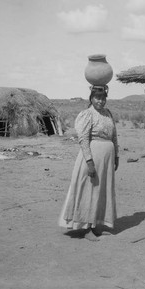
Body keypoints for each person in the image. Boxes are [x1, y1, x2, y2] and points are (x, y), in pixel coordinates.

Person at [58, 85, 119, 241]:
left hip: (106, 160)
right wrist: (90, 162)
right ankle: (86, 228)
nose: (101, 101)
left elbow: (114, 136)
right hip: (92, 158)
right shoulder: (87, 114)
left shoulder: (107, 114)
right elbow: (83, 139)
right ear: (91, 98)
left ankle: (96, 225)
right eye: (97, 97)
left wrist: (116, 156)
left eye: (103, 98)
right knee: (89, 192)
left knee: (101, 192)